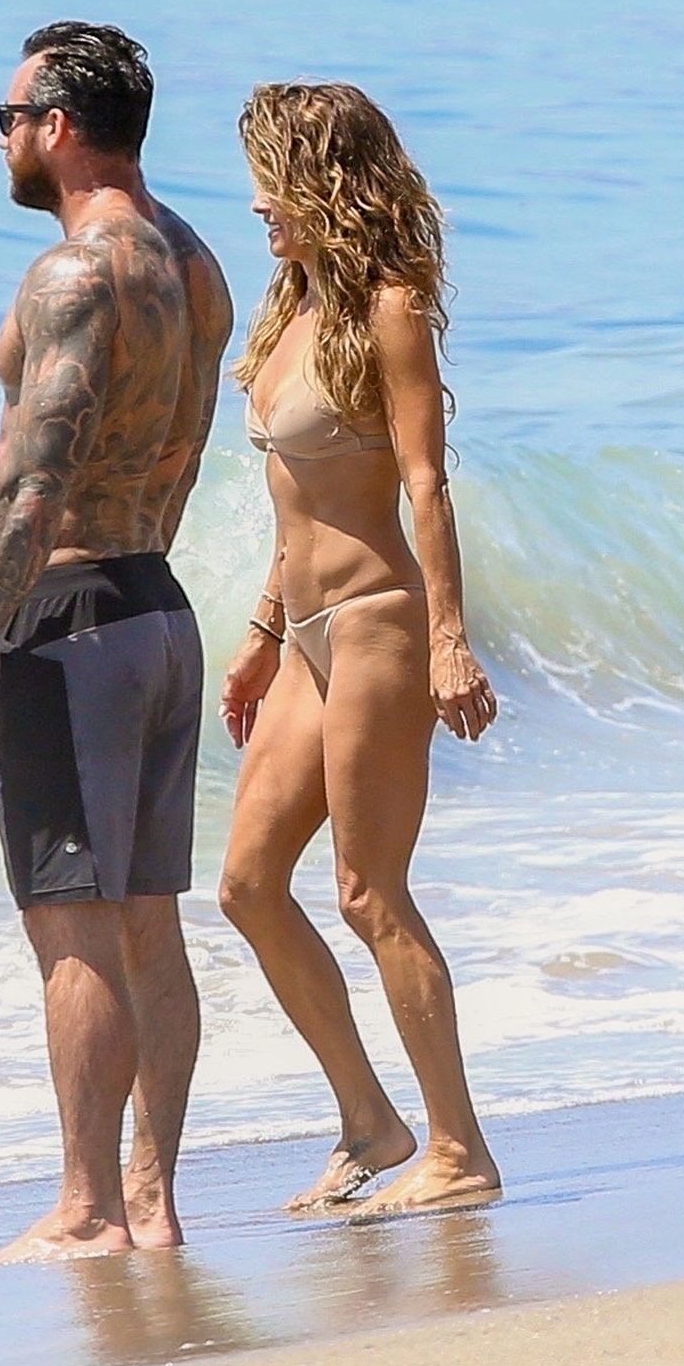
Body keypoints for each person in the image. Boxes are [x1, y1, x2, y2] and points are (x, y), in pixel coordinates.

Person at [0, 23, 232, 1263]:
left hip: (73, 620)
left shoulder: (72, 276)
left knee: (71, 922)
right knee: (147, 920)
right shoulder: (192, 264)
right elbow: (181, 451)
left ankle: (87, 1208)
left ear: (55, 126)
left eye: (7, 118)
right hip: (156, 606)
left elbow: (30, 486)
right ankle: (150, 1202)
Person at [217, 81, 500, 1215]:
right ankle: (370, 1122)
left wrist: (448, 639)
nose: (256, 206)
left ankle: (459, 1150)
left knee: (368, 891)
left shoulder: (390, 310)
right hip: (302, 635)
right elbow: (297, 501)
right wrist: (259, 632)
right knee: (247, 886)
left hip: (380, 619)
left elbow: (424, 483)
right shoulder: (290, 309)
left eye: (271, 181)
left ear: (323, 183)